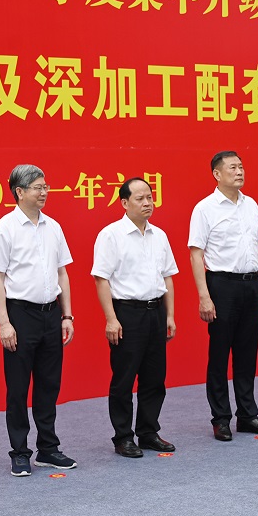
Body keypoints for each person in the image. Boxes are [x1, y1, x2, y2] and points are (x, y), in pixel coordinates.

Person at [0, 164, 77, 477]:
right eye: (38, 187)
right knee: (18, 387)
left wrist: (67, 314)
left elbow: (62, 273)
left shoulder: (53, 227)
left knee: (49, 385)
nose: (44, 192)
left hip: (51, 314)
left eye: (45, 186)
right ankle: (20, 452)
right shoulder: (5, 228)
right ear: (20, 191)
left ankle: (48, 448)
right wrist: (4, 322)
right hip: (20, 315)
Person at [188, 151, 258, 441]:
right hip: (222, 285)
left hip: (252, 284)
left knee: (247, 354)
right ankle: (221, 418)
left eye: (241, 167)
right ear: (217, 174)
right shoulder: (205, 208)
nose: (239, 172)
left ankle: (248, 415)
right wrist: (204, 296)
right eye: (232, 168)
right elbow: (196, 254)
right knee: (219, 354)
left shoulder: (251, 205)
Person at [92, 178, 178, 457]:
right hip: (127, 313)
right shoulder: (111, 235)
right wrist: (111, 318)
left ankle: (148, 432)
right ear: (124, 203)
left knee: (155, 378)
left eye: (150, 197)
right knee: (124, 378)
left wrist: (170, 315)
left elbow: (167, 277)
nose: (147, 203)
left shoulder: (159, 235)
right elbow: (101, 279)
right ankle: (123, 437)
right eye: (140, 198)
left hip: (156, 311)